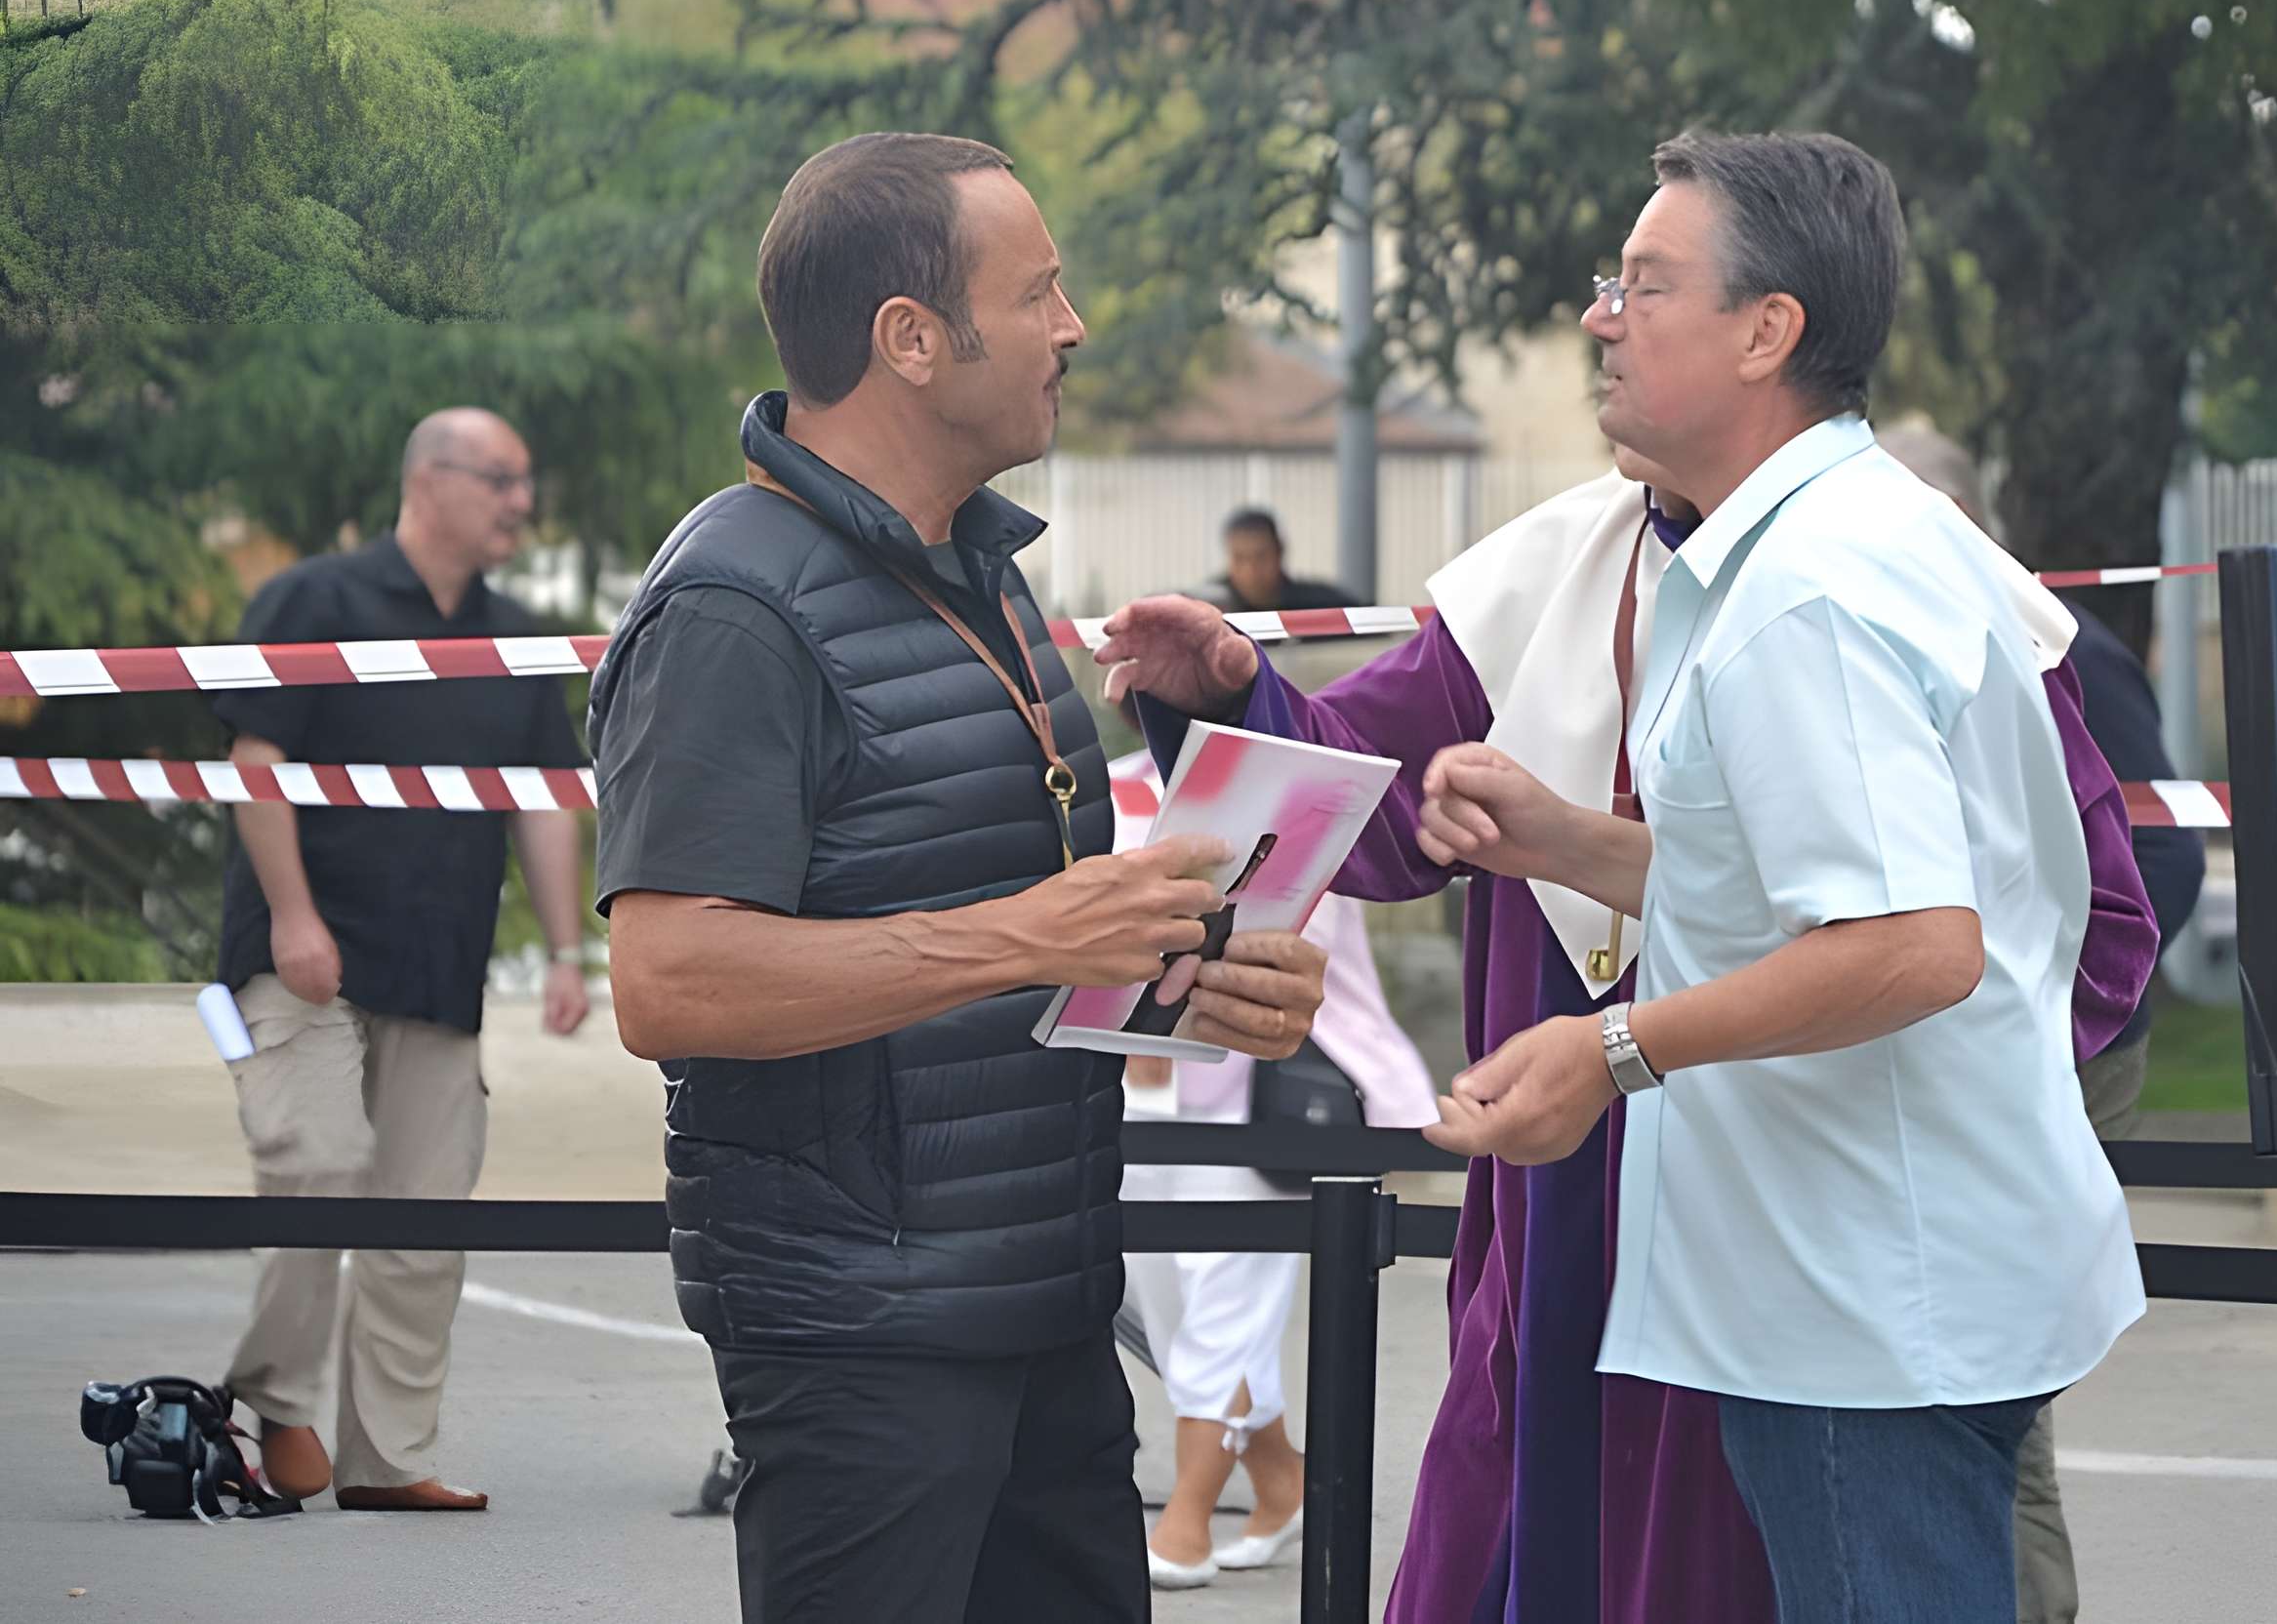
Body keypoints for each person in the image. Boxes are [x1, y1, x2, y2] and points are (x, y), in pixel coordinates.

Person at [1101, 134, 2152, 1624]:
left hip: (1824, 1245)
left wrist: (1632, 1049)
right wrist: (1252, 698)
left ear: (1767, 330)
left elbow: (1983, 937)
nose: (1601, 317)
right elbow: (1394, 804)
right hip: (1648, 1230)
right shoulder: (1712, 559)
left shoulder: (1810, 586)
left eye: (1644, 285)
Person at [589, 131, 1331, 1624]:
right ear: (911, 340)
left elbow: (1014, 929)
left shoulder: (977, 568)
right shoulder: (733, 606)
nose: (1075, 326)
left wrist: (1202, 974)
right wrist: (1026, 935)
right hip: (863, 1343)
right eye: (1041, 290)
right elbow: (670, 984)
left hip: (1047, 1306)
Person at [210, 406, 590, 1515]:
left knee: (424, 1216)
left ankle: (386, 1456)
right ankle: (275, 1400)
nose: (523, 501)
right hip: (298, 966)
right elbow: (255, 760)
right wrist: (293, 918)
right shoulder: (311, 601)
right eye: (503, 480)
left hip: (439, 969)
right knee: (315, 1161)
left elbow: (548, 803)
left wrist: (568, 950)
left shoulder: (512, 633)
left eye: (527, 481)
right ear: (431, 479)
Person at [1875, 424, 2203, 1624]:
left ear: (1955, 520)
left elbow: (2153, 865)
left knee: (1988, 1375)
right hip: (1962, 1049)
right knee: (1953, 1369)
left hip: (2053, 1051)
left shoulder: (2058, 645)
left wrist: (2039, 1013)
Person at [1106, 750, 1441, 1592]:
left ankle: (1185, 1525)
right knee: (1171, 1320)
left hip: (1260, 1102)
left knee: (1225, 1304)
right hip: (1129, 1103)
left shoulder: (1300, 797)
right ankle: (1284, 1483)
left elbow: (1279, 943)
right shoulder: (1106, 782)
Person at [1205, 506, 1354, 614]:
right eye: (1239, 558)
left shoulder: (1323, 606)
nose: (1250, 570)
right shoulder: (1208, 612)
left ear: (1279, 553)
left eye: (1261, 557)